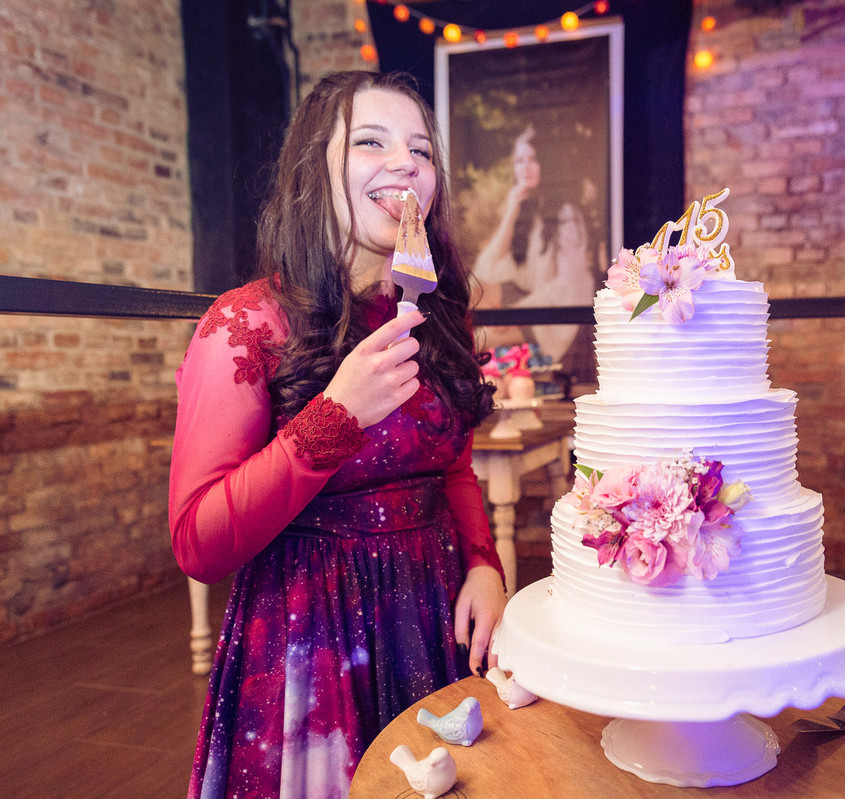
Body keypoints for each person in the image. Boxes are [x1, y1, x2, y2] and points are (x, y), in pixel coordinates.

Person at [168, 70, 506, 798]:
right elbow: (197, 542)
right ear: (312, 170)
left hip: (429, 618)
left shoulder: (436, 315)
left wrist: (484, 561)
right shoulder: (246, 324)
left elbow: (452, 469)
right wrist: (336, 416)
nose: (405, 163)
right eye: (371, 142)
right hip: (308, 638)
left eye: (421, 150)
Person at [472, 125, 603, 364]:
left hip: (557, 314)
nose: (525, 167)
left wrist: (515, 313)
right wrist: (512, 208)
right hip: (532, 303)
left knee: (479, 337)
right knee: (475, 289)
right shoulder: (531, 212)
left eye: (533, 159)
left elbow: (569, 285)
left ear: (547, 164)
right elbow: (486, 269)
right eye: (519, 160)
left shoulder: (566, 213)